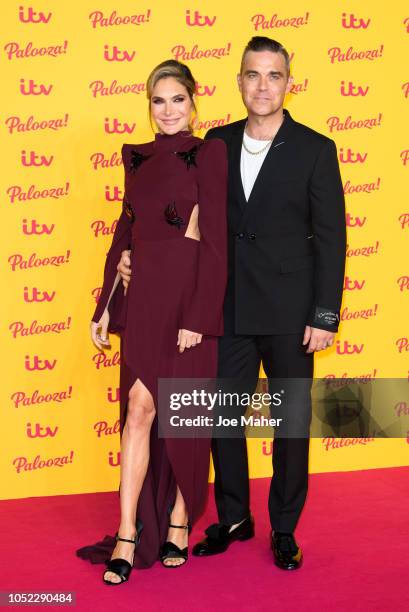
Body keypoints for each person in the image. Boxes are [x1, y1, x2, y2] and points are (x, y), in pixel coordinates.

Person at [116, 37, 346, 571]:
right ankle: (234, 516)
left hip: (292, 315)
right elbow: (166, 220)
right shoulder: (212, 144)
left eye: (273, 75)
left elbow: (331, 238)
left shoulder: (315, 149)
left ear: (289, 82)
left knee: (290, 424)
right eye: (252, 75)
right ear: (239, 82)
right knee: (221, 420)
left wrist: (325, 314)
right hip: (228, 310)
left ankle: (284, 528)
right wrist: (134, 261)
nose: (263, 85)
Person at [76, 59, 228, 584]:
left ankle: (180, 522)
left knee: (184, 417)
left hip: (187, 300)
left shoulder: (207, 153)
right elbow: (125, 232)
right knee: (138, 412)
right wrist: (105, 302)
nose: (168, 110)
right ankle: (127, 530)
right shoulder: (136, 159)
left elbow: (215, 242)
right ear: (149, 105)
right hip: (143, 300)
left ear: (193, 101)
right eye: (158, 101)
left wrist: (200, 315)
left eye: (178, 99)